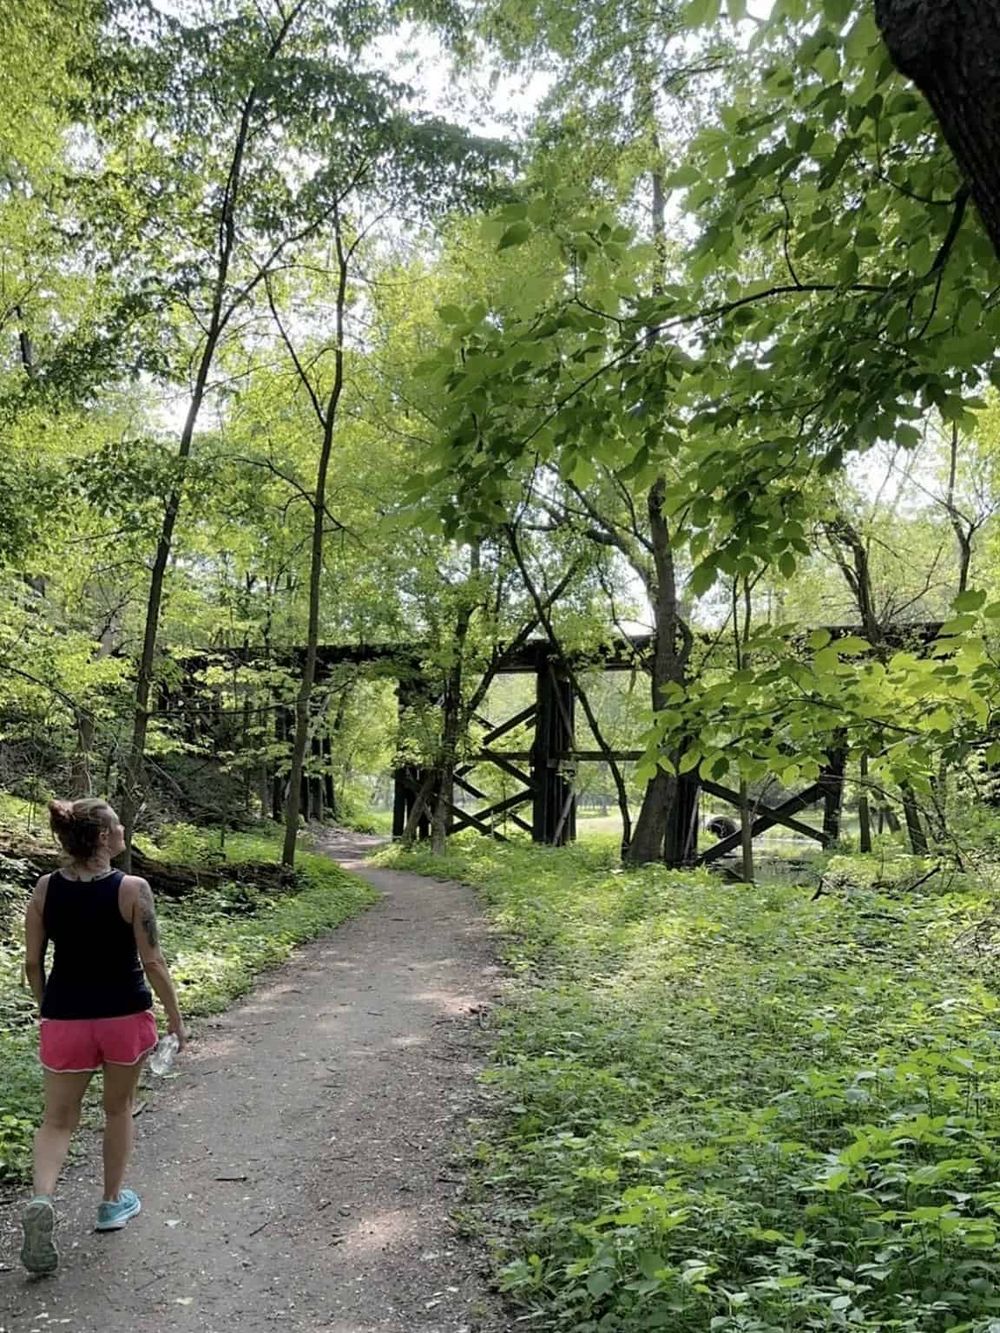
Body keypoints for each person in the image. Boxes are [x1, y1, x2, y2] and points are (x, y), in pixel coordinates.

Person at [19, 797, 186, 1276]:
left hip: (65, 1018)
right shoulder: (133, 889)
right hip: (123, 1018)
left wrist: (45, 1004)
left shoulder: (45, 889)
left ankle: (43, 1199)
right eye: (115, 826)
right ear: (100, 838)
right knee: (117, 1109)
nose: (121, 831)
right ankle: (112, 1204)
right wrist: (175, 1017)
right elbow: (152, 961)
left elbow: (32, 962)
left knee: (57, 1121)